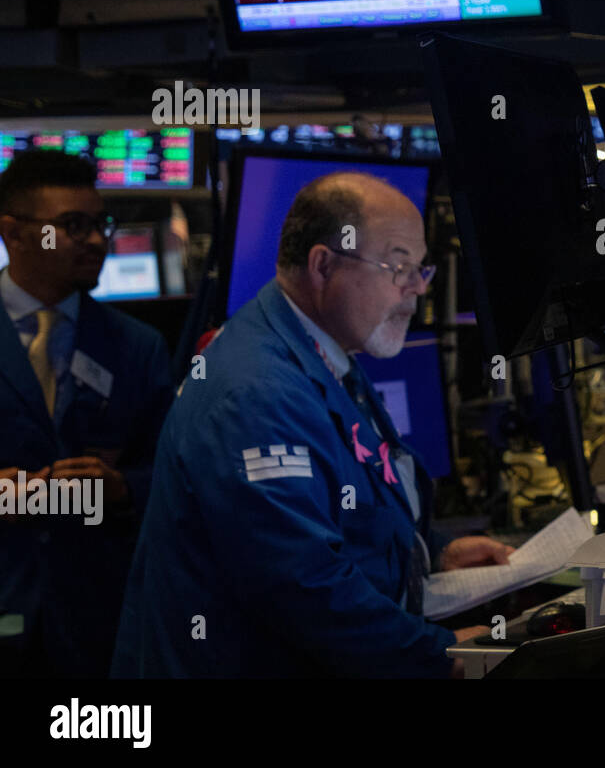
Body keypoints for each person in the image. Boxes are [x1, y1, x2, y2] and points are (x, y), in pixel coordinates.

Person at [112, 172, 511, 677]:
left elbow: (351, 507)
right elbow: (299, 584)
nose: (416, 290)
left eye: (421, 268)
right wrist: (436, 654)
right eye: (398, 265)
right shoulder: (256, 392)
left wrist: (429, 553)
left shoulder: (319, 350)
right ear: (323, 264)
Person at [0, 150, 173, 677]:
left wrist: (119, 488)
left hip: (101, 618)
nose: (97, 241)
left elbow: (172, 477)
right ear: (14, 233)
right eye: (73, 226)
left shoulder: (138, 346)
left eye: (101, 224)